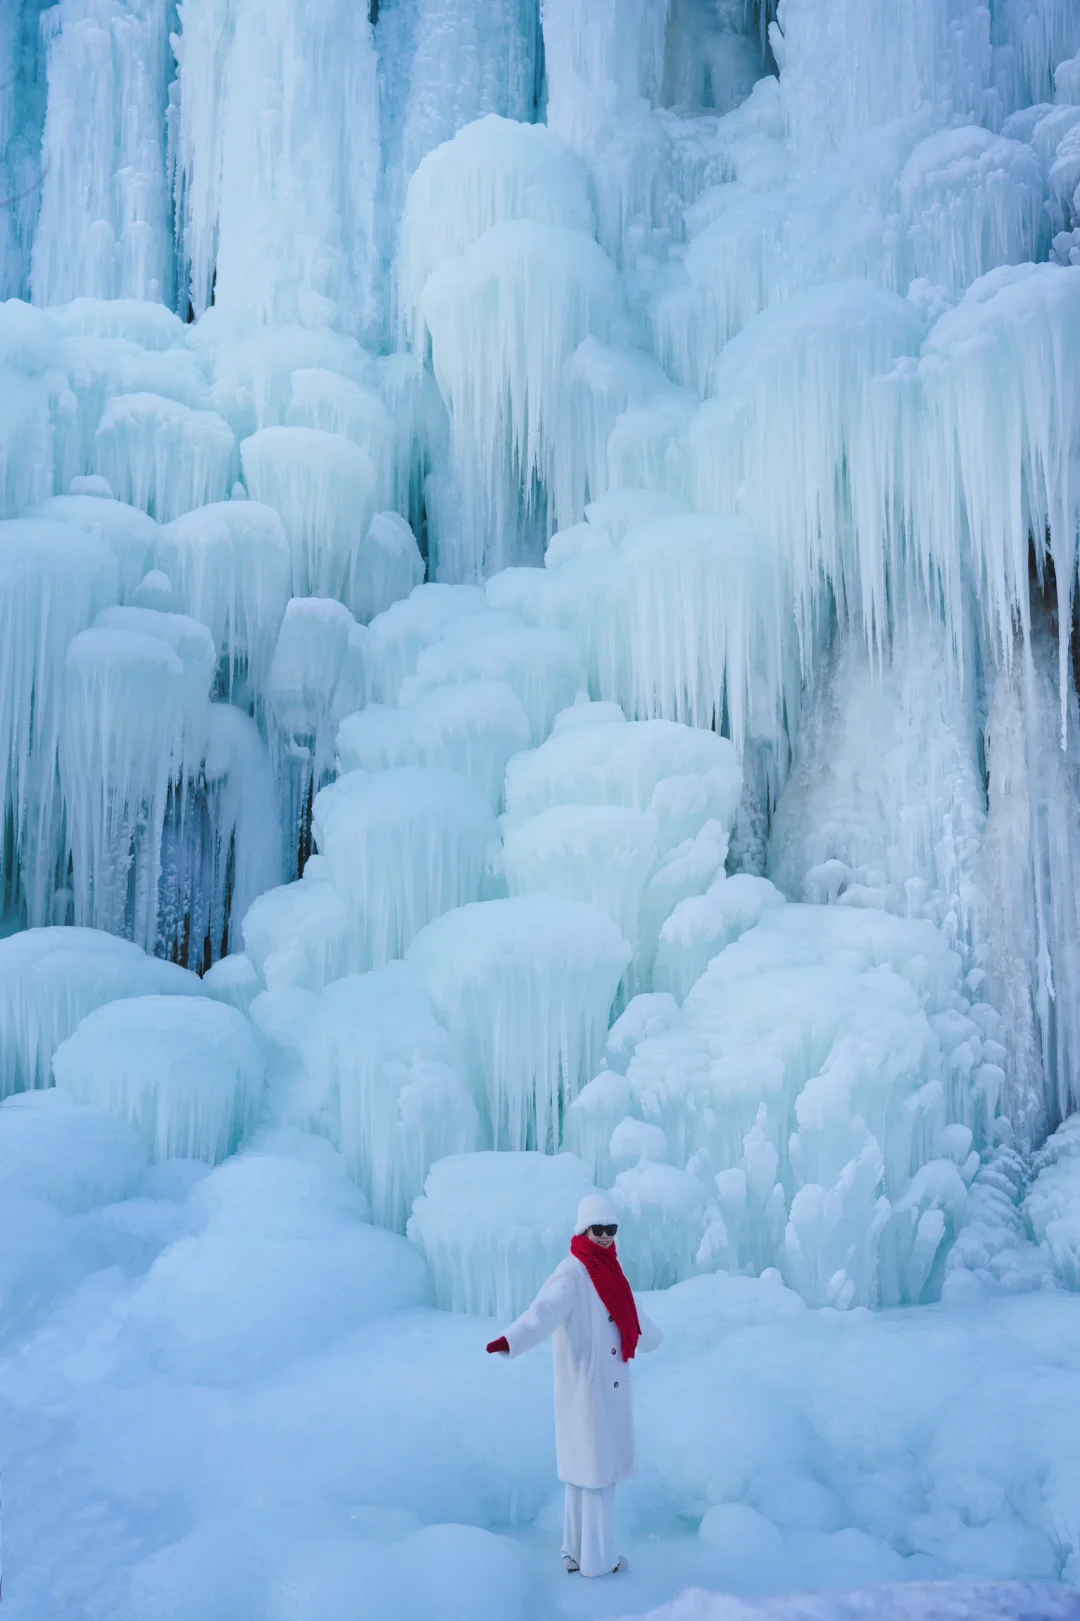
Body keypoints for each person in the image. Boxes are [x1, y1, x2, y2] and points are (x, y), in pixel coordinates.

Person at [486, 1192, 662, 1578]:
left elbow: (635, 1317)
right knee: (596, 1479)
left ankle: (574, 1551)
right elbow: (542, 1313)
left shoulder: (614, 1271)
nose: (604, 1236)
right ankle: (599, 1562)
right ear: (583, 1229)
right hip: (587, 1393)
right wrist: (511, 1340)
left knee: (585, 1477)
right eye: (597, 1229)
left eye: (610, 1229)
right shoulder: (573, 1272)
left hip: (606, 1392)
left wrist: (654, 1337)